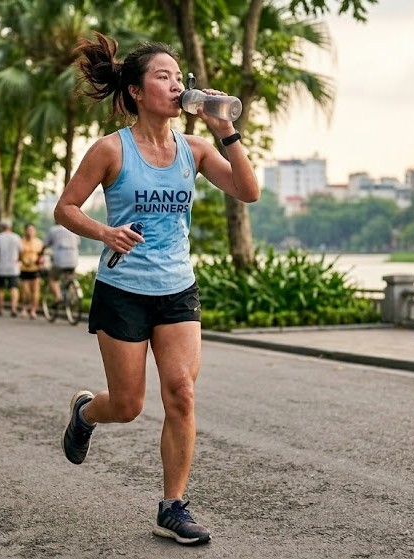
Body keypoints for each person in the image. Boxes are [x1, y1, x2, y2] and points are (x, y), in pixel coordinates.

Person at [55, 33, 260, 546]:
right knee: (128, 405)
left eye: (177, 77)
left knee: (182, 394)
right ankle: (86, 413)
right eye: (162, 76)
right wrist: (104, 232)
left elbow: (248, 191)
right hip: (122, 289)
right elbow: (66, 208)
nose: (175, 85)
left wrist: (226, 131)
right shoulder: (110, 149)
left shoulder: (195, 148)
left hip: (177, 289)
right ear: (136, 91)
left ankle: (173, 507)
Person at [0, 218, 21, 317]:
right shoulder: (16, 237)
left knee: (0, 289)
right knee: (14, 288)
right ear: (10, 226)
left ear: (1, 227)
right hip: (13, 267)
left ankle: (0, 309)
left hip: (1, 267)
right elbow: (21, 252)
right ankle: (14, 309)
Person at [43, 223, 80, 306]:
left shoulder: (53, 230)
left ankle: (58, 297)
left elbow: (45, 244)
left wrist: (40, 253)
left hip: (60, 260)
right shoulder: (72, 228)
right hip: (73, 260)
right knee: (69, 277)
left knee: (52, 278)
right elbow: (78, 244)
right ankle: (72, 293)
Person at [19, 223, 44, 319]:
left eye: (32, 230)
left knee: (35, 291)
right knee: (25, 291)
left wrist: (39, 262)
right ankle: (24, 308)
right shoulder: (21, 242)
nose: (30, 232)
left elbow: (41, 255)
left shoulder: (39, 242)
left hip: (35, 269)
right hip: (24, 269)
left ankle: (33, 310)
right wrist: (23, 261)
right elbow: (18, 255)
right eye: (29, 230)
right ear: (25, 231)